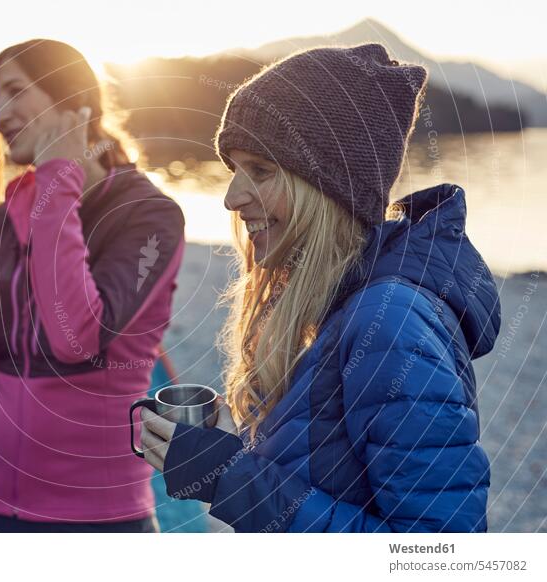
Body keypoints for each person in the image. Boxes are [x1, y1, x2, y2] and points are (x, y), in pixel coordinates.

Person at [139, 43, 501, 533]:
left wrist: (232, 480)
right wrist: (233, 451)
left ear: (330, 187)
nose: (230, 198)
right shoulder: (336, 303)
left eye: (261, 171)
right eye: (234, 171)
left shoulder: (391, 325)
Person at [0, 39, 185, 532]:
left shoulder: (149, 216)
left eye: (14, 91)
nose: (0, 113)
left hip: (100, 523)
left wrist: (57, 178)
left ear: (71, 100)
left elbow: (75, 337)